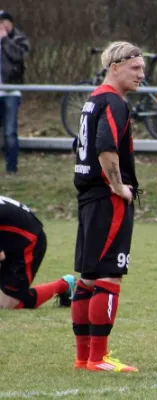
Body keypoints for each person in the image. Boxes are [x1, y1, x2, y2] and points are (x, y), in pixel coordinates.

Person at [70, 41, 144, 373]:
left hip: (88, 197)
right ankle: (98, 358)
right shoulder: (114, 102)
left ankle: (84, 357)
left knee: (87, 277)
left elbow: (79, 144)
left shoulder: (94, 99)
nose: (142, 75)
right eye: (136, 68)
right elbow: (104, 146)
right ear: (115, 67)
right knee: (110, 275)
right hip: (106, 197)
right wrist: (118, 186)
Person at [0, 195, 75, 309]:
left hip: (29, 243)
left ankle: (64, 285)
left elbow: (1, 256)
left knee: (6, 305)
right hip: (12, 239)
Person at [0, 10, 30, 176]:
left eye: (3, 22)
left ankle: (12, 168)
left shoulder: (18, 39)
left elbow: (18, 56)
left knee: (10, 131)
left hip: (11, 91)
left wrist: (4, 40)